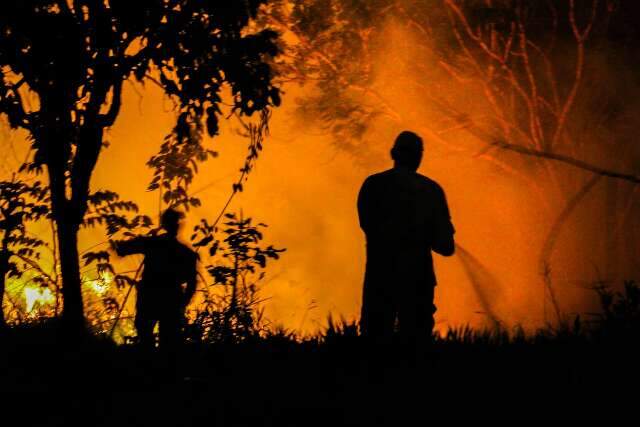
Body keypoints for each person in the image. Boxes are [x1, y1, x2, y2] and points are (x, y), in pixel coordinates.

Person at [357, 131, 455, 344]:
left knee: (374, 341)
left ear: (393, 153)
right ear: (420, 157)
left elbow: (369, 227)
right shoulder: (431, 190)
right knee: (415, 343)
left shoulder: (373, 185)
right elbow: (446, 246)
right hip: (418, 280)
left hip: (380, 277)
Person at [112, 208, 198, 348]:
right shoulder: (186, 252)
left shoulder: (152, 243)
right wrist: (183, 302)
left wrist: (121, 245)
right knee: (168, 341)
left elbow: (121, 249)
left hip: (150, 298)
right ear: (177, 226)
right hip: (171, 300)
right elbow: (192, 282)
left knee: (146, 336)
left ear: (164, 224)